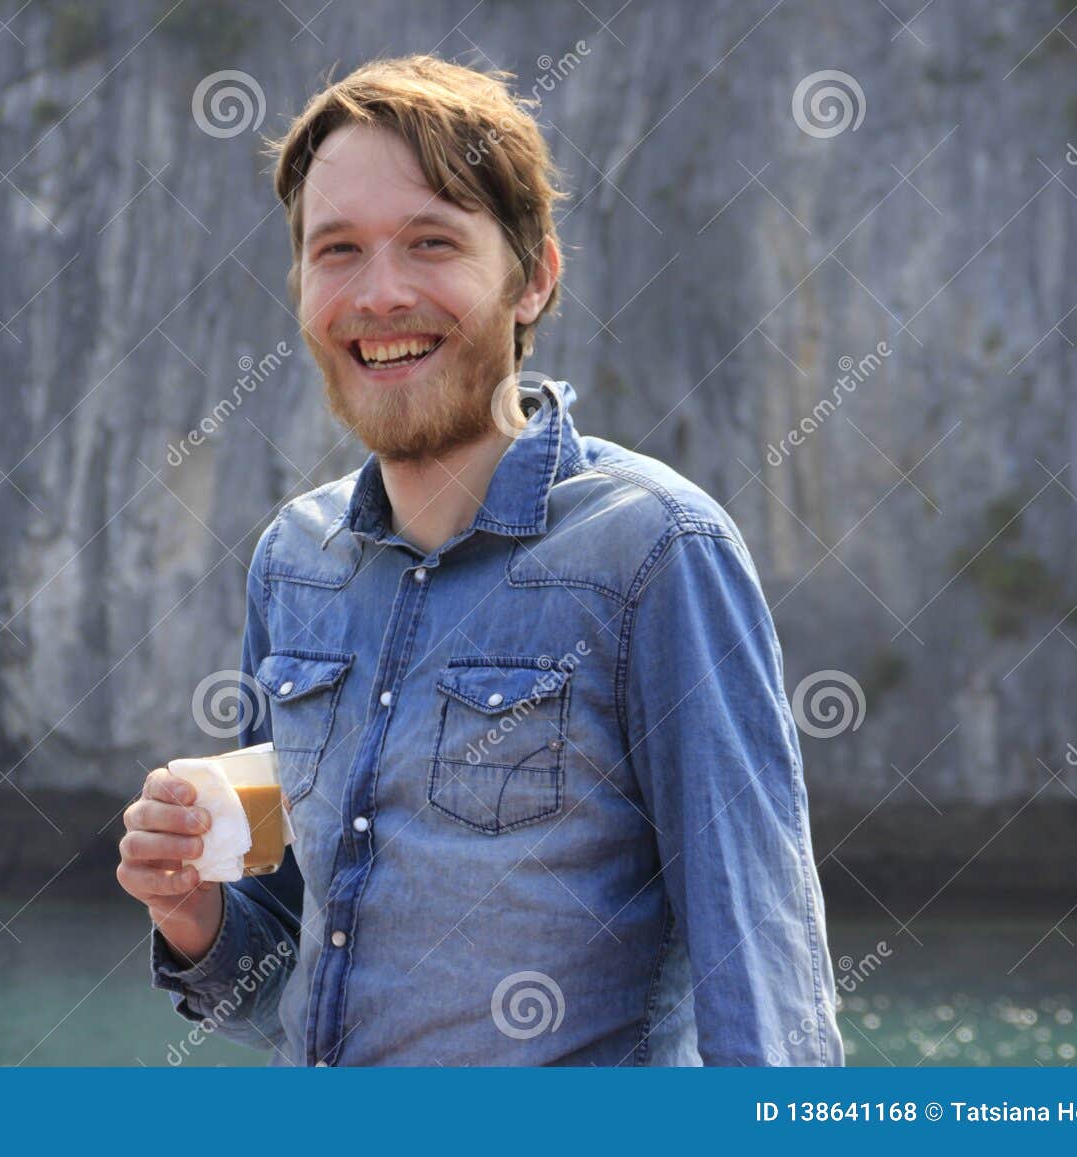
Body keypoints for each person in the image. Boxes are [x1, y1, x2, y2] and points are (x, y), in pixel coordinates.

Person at [117, 54, 844, 1067]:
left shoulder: (655, 552)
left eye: (431, 242)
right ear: (300, 286)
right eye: (337, 250)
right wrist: (192, 908)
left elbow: (763, 988)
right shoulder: (294, 562)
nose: (380, 293)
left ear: (531, 275)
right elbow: (286, 975)